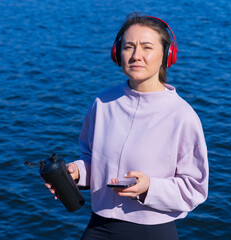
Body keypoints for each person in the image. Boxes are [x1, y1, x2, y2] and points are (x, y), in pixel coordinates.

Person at [45, 13, 209, 240]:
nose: (136, 56)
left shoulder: (182, 115)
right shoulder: (102, 103)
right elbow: (96, 162)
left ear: (167, 54)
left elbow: (194, 189)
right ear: (117, 53)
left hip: (151, 231)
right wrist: (76, 173)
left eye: (147, 47)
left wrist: (149, 187)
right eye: (128, 47)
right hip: (98, 226)